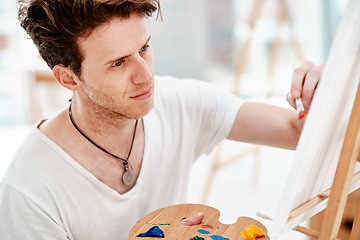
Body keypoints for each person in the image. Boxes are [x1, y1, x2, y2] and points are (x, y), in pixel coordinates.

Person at [0, 0, 324, 239]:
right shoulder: (29, 192)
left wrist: (330, 89)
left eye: (144, 48)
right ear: (69, 78)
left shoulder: (179, 102)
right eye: (118, 63)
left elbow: (302, 131)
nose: (145, 75)